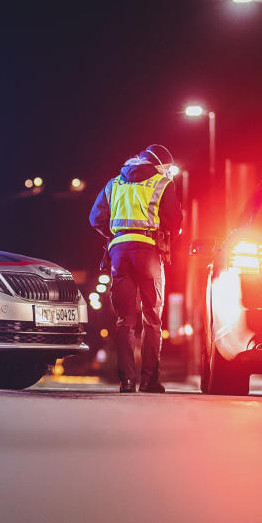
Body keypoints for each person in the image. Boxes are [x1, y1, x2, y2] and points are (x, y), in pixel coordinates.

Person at [89, 144, 183, 393]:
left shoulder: (114, 184)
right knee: (152, 318)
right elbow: (175, 221)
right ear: (158, 165)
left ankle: (126, 381)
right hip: (149, 252)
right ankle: (149, 381)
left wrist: (116, 236)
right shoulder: (162, 183)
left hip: (119, 253)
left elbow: (95, 219)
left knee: (124, 321)